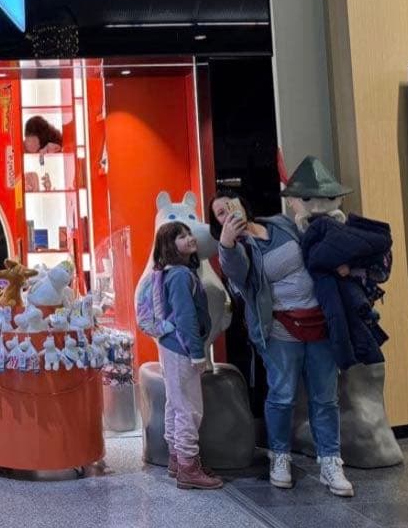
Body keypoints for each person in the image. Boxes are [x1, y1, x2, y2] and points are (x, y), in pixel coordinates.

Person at [210, 190, 354, 497]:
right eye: (220, 213)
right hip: (278, 329)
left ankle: (330, 462)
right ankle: (279, 457)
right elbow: (237, 275)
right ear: (217, 223)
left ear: (243, 204)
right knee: (283, 395)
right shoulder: (238, 248)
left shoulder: (280, 224)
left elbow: (313, 245)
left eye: (230, 205)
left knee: (325, 397)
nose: (228, 213)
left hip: (319, 320)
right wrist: (227, 244)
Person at [151, 221, 222, 490]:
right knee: (189, 408)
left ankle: (177, 460)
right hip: (182, 348)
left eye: (189, 233)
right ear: (169, 245)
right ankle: (189, 468)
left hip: (170, 346)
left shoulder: (169, 273)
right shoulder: (181, 275)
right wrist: (197, 353)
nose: (190, 238)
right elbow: (185, 317)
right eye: (181, 236)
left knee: (176, 403)